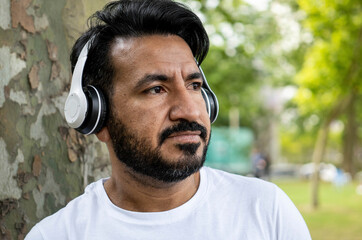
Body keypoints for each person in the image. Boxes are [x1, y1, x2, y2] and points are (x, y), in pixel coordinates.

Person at [25, 0, 311, 239]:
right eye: (156, 89)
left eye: (194, 86)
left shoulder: (266, 209)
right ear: (96, 114)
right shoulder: (55, 235)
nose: (189, 110)